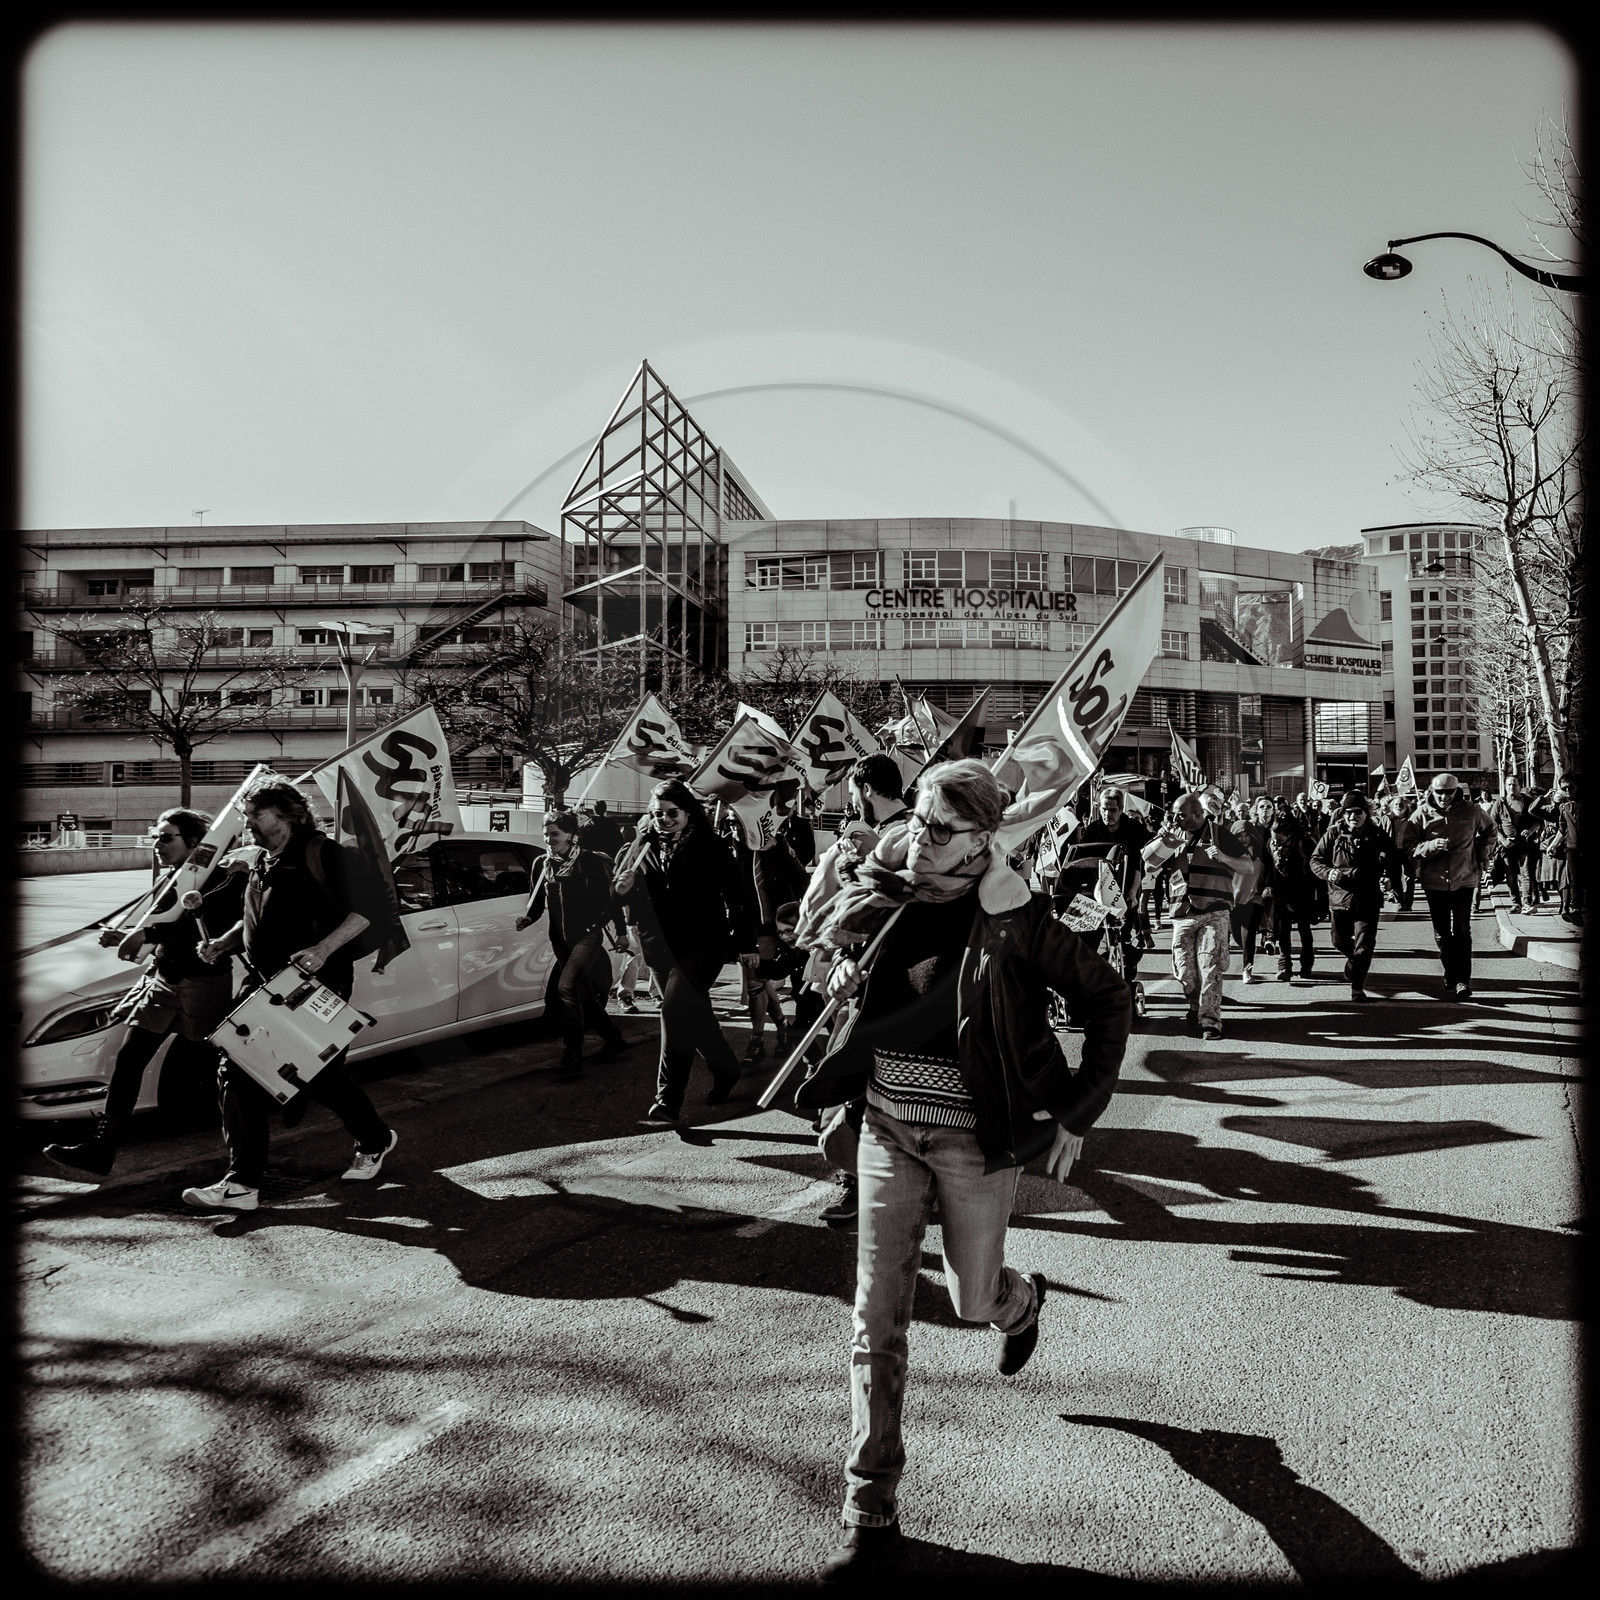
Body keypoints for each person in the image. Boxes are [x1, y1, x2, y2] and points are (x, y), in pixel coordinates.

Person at [793, 760, 1131, 1580]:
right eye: (917, 817)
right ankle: (870, 1504)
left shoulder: (1019, 919)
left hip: (975, 1142)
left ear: (984, 840)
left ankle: (1019, 1305)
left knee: (970, 1298)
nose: (920, 835)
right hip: (886, 1128)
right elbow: (845, 981)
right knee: (877, 1318)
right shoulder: (882, 892)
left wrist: (1076, 1113)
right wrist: (842, 979)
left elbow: (1108, 1004)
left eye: (941, 827)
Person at [181, 780, 398, 1212]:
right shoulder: (263, 861)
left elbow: (371, 910)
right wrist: (225, 943)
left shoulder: (325, 854)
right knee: (237, 1066)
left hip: (315, 984)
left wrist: (322, 950)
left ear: (288, 815)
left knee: (319, 1075)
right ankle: (242, 1185)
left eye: (256, 818)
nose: (248, 827)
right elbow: (258, 922)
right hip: (263, 983)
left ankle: (375, 1138)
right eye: (246, 819)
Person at [44, 808, 245, 1177]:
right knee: (131, 1058)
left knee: (215, 1071)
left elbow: (207, 932)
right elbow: (160, 929)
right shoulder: (172, 878)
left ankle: (240, 1161)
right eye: (156, 835)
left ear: (196, 843)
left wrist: (147, 935)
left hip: (203, 986)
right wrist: (130, 937)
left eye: (166, 837)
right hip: (166, 981)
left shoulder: (220, 881)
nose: (157, 843)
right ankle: (102, 1149)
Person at [614, 779, 757, 1125]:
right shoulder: (640, 845)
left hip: (703, 942)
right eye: (657, 814)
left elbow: (738, 897)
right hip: (659, 944)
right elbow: (621, 894)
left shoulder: (713, 846)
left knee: (674, 1011)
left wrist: (747, 944)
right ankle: (726, 1069)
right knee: (694, 1015)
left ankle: (667, 1101)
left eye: (671, 813)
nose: (663, 819)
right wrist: (621, 890)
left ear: (689, 812)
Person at [517, 811, 630, 1080]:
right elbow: (535, 901)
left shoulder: (588, 861)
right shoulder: (541, 864)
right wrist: (527, 918)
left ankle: (573, 1054)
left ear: (570, 835)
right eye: (546, 833)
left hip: (588, 935)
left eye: (554, 833)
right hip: (560, 938)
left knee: (566, 988)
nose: (548, 838)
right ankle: (614, 1039)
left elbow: (609, 899)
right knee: (584, 994)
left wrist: (623, 932)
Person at [1144, 787, 1246, 1040]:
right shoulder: (1172, 835)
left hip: (1215, 911)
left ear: (1198, 815)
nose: (1174, 819)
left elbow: (1247, 865)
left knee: (1210, 965)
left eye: (1179, 815)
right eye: (1174, 814)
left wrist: (1222, 857)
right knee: (1185, 972)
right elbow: (1148, 865)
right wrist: (1163, 842)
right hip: (1182, 912)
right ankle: (1195, 1007)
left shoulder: (1220, 834)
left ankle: (1211, 1021)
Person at [1406, 773, 1494, 1000]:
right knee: (1443, 934)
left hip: (1464, 878)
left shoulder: (1472, 810)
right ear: (1431, 792)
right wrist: (1432, 846)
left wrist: (1482, 854)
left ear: (1457, 791)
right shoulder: (1420, 814)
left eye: (1449, 792)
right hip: (1435, 882)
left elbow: (1490, 830)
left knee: (1462, 931)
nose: (1444, 796)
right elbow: (1409, 846)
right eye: (1439, 792)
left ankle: (1463, 981)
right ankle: (1450, 971)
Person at [1309, 793, 1401, 1001]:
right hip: (1340, 896)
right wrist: (1328, 872)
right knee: (1338, 940)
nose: (1352, 816)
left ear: (1366, 813)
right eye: (1348, 813)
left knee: (1365, 945)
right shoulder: (1333, 834)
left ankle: (1357, 987)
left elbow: (1393, 860)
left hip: (1367, 896)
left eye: (1357, 812)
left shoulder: (1378, 835)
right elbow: (1315, 861)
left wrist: (1389, 880)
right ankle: (1354, 961)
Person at [1061, 785, 1151, 982]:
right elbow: (1081, 860)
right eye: (1103, 808)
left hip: (1126, 885)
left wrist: (1133, 894)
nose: (1107, 813)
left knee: (1123, 934)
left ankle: (1127, 968)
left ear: (1120, 809)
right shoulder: (1093, 829)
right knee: (1085, 936)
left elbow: (1137, 864)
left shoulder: (1133, 828)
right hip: (1095, 888)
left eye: (1112, 809)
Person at [1266, 812, 1316, 980]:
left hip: (1302, 892)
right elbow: (1269, 868)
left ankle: (1307, 964)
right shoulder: (1271, 845)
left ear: (1290, 836)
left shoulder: (1305, 845)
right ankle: (1284, 965)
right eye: (1273, 840)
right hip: (1281, 893)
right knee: (1283, 930)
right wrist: (1269, 886)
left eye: (1280, 841)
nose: (1276, 844)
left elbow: (1313, 873)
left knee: (1304, 930)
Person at [1228, 799, 1273, 984]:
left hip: (1255, 899)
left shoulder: (1261, 852)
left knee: (1248, 936)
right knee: (1238, 937)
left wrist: (1269, 887)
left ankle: (1247, 970)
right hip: (1233, 901)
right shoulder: (1228, 853)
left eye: (1246, 835)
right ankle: (1259, 943)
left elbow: (1271, 871)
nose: (1243, 839)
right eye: (1239, 836)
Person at [1488, 786, 1543, 913]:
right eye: (1509, 784)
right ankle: (1515, 903)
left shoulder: (1529, 802)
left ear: (1519, 787)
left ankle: (1526, 903)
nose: (1511, 787)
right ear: (1505, 787)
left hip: (1525, 844)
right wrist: (1502, 840)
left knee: (1526, 874)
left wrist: (1530, 830)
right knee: (1511, 875)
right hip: (1508, 845)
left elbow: (1539, 822)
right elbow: (1492, 824)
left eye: (1514, 784)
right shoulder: (1500, 803)